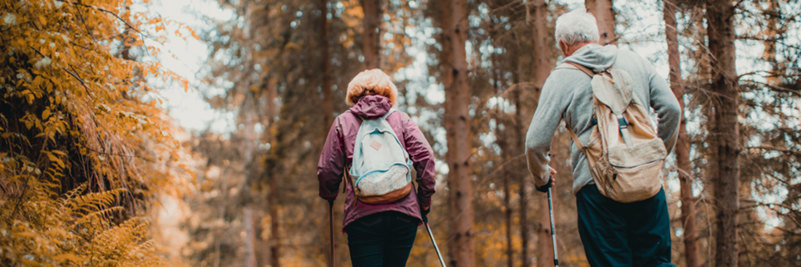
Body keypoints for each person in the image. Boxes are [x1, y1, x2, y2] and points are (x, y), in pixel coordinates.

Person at [524, 9, 681, 267]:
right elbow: (672, 109)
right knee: (656, 262)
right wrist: (656, 154)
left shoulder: (562, 77)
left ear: (563, 45)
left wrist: (542, 177)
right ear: (596, 36)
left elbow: (535, 142)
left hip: (597, 189)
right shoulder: (634, 61)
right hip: (647, 183)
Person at [317, 69, 436, 267]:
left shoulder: (343, 123)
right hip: (403, 213)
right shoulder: (401, 119)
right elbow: (426, 157)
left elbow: (327, 170)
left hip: (362, 216)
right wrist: (424, 201)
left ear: (353, 94)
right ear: (388, 91)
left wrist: (329, 194)